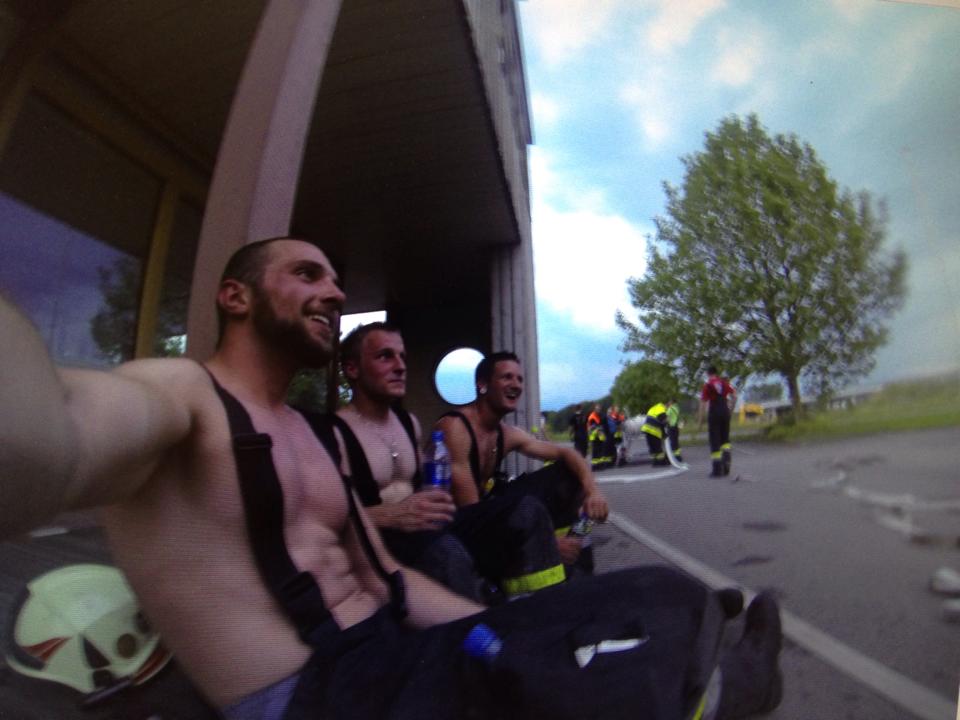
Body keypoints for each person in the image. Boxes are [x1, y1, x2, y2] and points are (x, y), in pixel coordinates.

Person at [0, 237, 781, 719]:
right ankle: (731, 690)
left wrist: (514, 633)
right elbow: (55, 434)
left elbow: (391, 585)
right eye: (307, 273)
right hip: (306, 695)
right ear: (235, 297)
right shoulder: (176, 394)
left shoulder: (302, 435)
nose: (335, 292)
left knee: (661, 593)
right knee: (608, 682)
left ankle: (668, 646)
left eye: (336, 281)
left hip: (388, 654)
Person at [334, 322, 565, 600]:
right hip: (382, 541)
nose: (400, 366)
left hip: (430, 526)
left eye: (402, 357)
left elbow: (429, 489)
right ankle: (487, 617)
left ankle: (543, 605)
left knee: (527, 509)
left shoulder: (408, 423)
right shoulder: (334, 432)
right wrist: (392, 514)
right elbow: (323, 518)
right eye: (385, 356)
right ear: (352, 369)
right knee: (448, 554)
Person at [434, 353, 609, 575]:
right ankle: (536, 570)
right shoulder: (455, 428)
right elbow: (474, 514)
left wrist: (594, 492)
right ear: (482, 384)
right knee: (524, 508)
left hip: (484, 510)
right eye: (507, 377)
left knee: (569, 475)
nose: (516, 385)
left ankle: (575, 556)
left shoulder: (507, 433)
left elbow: (567, 452)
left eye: (519, 379)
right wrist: (546, 542)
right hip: (455, 526)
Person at [698, 365, 737, 477]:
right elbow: (735, 396)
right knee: (725, 440)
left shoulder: (708, 385)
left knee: (715, 441)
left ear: (708, 373)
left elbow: (703, 404)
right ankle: (726, 465)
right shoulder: (724, 383)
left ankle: (717, 470)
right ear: (716, 373)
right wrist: (730, 410)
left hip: (714, 413)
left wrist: (701, 421)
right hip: (725, 411)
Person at [641, 401, 669, 466]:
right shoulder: (662, 410)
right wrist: (664, 434)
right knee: (658, 448)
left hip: (646, 430)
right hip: (654, 431)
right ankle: (661, 462)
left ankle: (655, 462)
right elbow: (663, 423)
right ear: (666, 405)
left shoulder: (653, 408)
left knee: (652, 447)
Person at [586, 403, 609, 468]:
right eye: (597, 409)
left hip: (599, 435)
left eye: (599, 409)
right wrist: (599, 429)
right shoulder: (592, 416)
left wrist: (602, 433)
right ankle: (595, 465)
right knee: (595, 450)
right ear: (594, 409)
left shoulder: (598, 415)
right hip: (594, 436)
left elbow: (600, 426)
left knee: (600, 449)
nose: (599, 410)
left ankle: (599, 464)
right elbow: (593, 427)